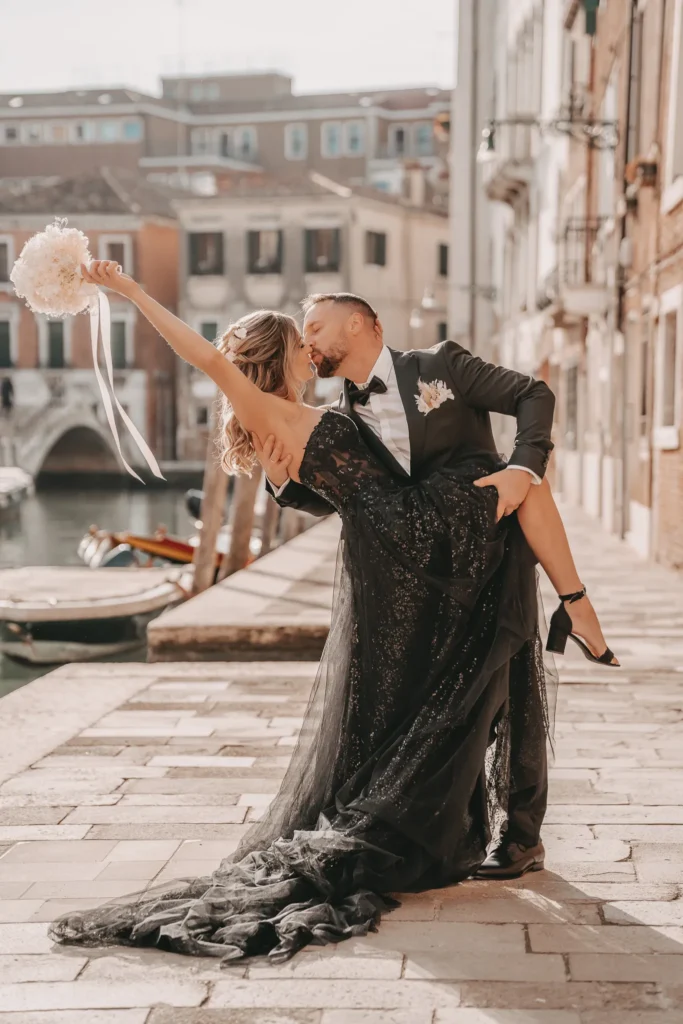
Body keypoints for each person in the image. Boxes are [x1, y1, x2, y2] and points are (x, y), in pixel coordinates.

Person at [49, 262, 617, 963]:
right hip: (408, 535)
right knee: (523, 486)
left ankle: (571, 620)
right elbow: (200, 355)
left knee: (514, 500)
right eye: (300, 337)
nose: (309, 345)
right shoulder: (281, 413)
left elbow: (338, 484)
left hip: (398, 542)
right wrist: (130, 291)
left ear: (360, 324)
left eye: (315, 329)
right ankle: (578, 610)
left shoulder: (333, 407)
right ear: (278, 355)